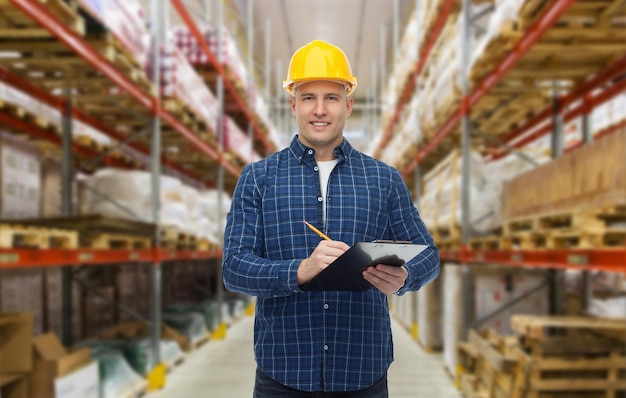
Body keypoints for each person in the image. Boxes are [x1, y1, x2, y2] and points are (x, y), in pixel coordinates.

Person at [222, 39, 440, 397]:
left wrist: (405, 277)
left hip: (361, 370)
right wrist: (298, 271)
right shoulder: (259, 178)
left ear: (349, 105)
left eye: (332, 98)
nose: (319, 110)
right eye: (308, 97)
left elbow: (428, 253)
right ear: (293, 104)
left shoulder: (383, 179)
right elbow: (233, 267)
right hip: (284, 372)